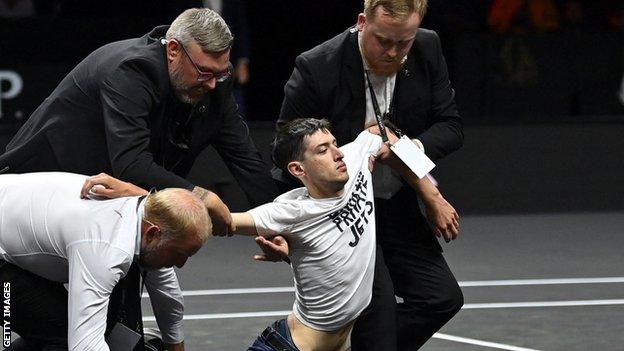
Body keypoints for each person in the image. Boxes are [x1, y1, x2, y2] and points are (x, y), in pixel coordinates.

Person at [86, 118, 457, 351]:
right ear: (298, 168)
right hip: (290, 345)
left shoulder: (356, 156)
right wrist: (138, 196)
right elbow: (223, 222)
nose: (336, 154)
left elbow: (383, 131)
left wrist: (429, 188)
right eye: (322, 150)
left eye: (333, 143)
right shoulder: (289, 211)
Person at [277, 1, 464, 349]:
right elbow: (285, 149)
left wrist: (404, 150)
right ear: (362, 22)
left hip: (396, 202)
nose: (393, 53)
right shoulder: (318, 66)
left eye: (403, 43)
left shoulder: (427, 47)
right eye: (383, 41)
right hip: (344, 215)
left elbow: (450, 127)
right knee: (377, 314)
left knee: (441, 298)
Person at [0, 8, 278, 236]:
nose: (213, 84)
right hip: (35, 192)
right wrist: (201, 197)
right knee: (25, 301)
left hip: (101, 194)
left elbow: (245, 159)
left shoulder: (215, 82)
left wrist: (285, 226)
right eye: (205, 72)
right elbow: (131, 163)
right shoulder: (130, 71)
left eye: (221, 72)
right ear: (172, 50)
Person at [0, 171, 211, 350]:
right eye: (179, 254)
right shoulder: (106, 249)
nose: (181, 263)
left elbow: (168, 297)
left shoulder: (146, 215)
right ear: (153, 234)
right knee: (63, 334)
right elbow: (85, 346)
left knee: (68, 324)